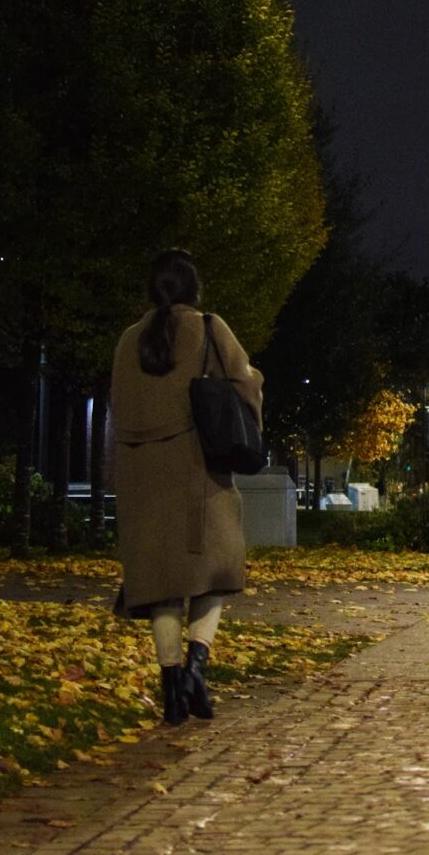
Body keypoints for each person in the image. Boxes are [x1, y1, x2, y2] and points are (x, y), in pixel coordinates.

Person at [111, 250, 261, 725]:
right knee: (216, 573)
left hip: (142, 480)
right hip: (198, 474)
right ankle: (197, 667)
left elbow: (120, 406)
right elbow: (245, 385)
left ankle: (173, 687)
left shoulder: (128, 340)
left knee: (163, 585)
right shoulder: (209, 328)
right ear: (193, 289)